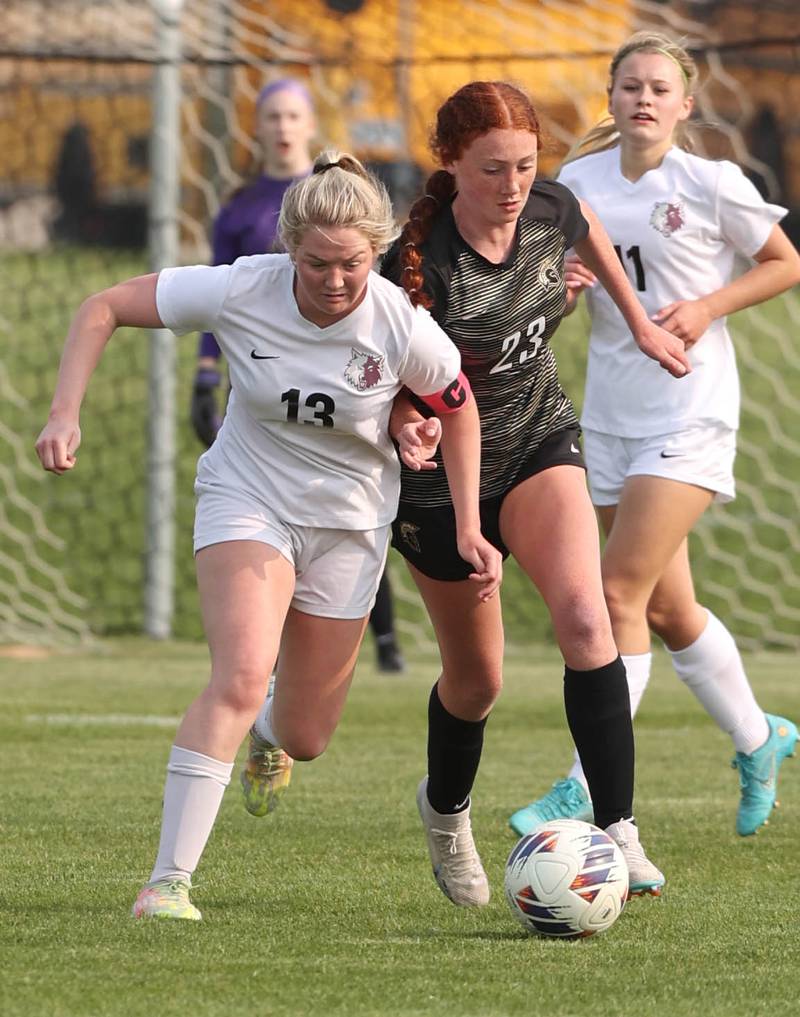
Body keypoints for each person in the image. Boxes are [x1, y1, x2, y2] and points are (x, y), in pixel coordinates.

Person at [34, 150, 502, 921]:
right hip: (247, 498)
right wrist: (63, 411)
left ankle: (268, 730)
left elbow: (457, 407)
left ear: (376, 253)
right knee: (242, 670)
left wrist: (470, 524)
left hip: (351, 524)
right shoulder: (241, 286)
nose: (333, 280)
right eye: (315, 262)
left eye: (351, 263)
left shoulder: (399, 323)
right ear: (290, 248)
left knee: (307, 734)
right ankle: (168, 881)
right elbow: (103, 306)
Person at [380, 80, 692, 906]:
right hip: (445, 484)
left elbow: (582, 236)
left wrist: (642, 322)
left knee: (588, 618)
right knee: (477, 681)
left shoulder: (551, 208)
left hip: (535, 441)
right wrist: (408, 419)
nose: (514, 185)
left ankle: (617, 828)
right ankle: (446, 812)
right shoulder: (419, 268)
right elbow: (389, 383)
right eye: (492, 170)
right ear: (448, 164)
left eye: (525, 165)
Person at [509, 32, 800, 840]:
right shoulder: (579, 185)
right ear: (610, 97)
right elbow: (554, 299)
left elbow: (786, 262)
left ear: (685, 105)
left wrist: (708, 308)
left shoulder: (710, 183)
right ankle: (759, 736)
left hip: (691, 405)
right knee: (670, 609)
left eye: (659, 88)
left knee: (614, 594)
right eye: (630, 84)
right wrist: (562, 290)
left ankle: (581, 786)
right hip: (611, 413)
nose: (643, 98)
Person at [191, 76, 406, 674]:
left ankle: (384, 641)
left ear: (309, 126)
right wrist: (206, 373)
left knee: (347, 500)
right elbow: (215, 299)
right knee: (272, 515)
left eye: (293, 116)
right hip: (268, 381)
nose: (283, 127)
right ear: (255, 128)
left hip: (351, 381)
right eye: (272, 117)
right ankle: (262, 662)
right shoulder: (240, 209)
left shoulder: (349, 202)